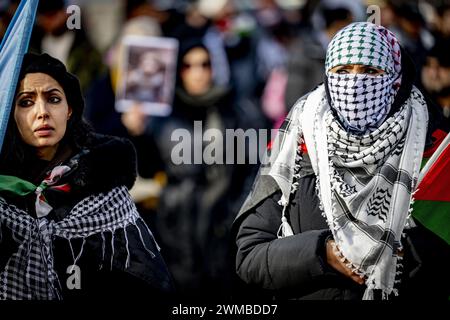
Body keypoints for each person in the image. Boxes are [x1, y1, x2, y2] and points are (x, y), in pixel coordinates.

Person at [233, 22, 450, 300]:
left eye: (370, 71)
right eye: (342, 71)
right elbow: (250, 256)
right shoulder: (296, 145)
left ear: (395, 79)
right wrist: (323, 253)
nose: (355, 84)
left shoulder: (433, 151)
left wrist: (402, 257)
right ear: (327, 76)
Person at [0, 53, 174, 300]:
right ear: (7, 112)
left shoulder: (105, 190)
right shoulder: (3, 197)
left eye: (53, 99)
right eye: (26, 102)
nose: (42, 112)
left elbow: (145, 279)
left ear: (69, 109)